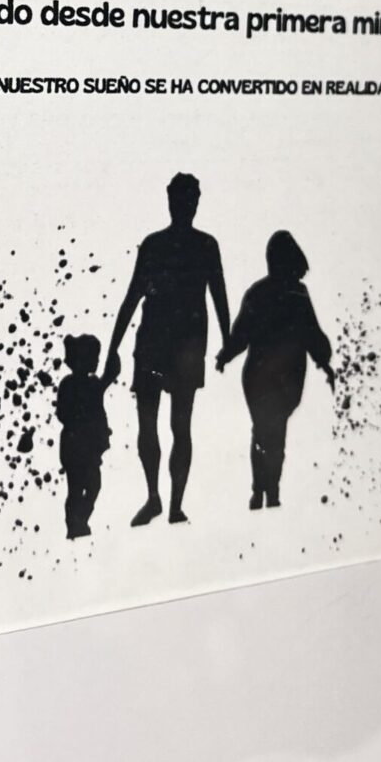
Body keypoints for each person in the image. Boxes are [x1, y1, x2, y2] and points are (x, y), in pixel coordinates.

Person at [105, 173, 229, 526]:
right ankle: (157, 498)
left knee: (178, 426)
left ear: (195, 203)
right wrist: (113, 347)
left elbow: (219, 296)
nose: (186, 205)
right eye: (181, 199)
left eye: (190, 199)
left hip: (185, 347)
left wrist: (229, 341)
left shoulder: (205, 246)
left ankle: (172, 503)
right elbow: (133, 296)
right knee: (153, 425)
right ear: (171, 201)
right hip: (155, 344)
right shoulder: (156, 245)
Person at [217, 230, 334, 509]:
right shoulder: (298, 294)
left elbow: (241, 333)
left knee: (261, 431)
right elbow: (312, 334)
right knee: (275, 433)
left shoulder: (259, 292)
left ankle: (261, 490)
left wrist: (226, 356)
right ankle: (271, 490)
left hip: (259, 375)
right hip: (287, 377)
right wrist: (324, 362)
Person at [55, 333, 113, 538]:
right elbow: (62, 413)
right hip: (75, 446)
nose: (96, 362)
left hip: (86, 447)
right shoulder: (69, 385)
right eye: (93, 358)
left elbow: (103, 386)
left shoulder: (91, 384)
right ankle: (74, 524)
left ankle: (79, 520)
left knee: (93, 485)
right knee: (76, 488)